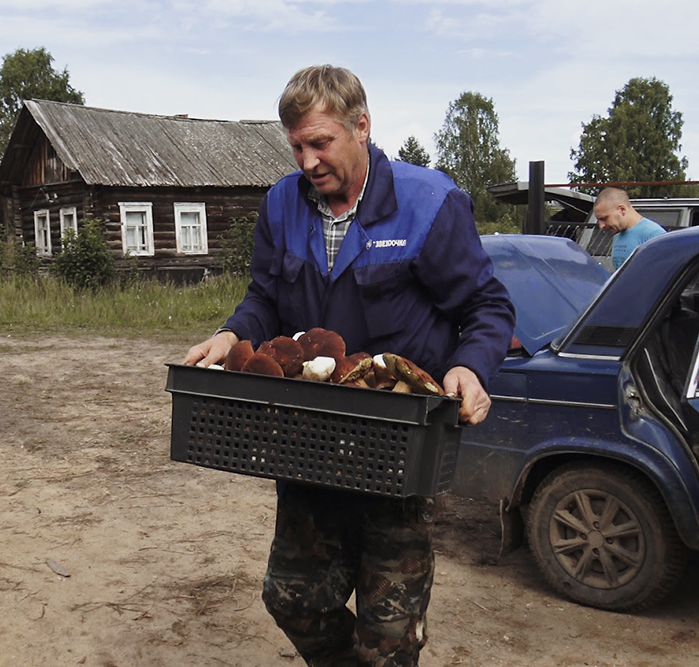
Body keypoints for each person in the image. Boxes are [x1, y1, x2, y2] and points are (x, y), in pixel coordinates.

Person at [184, 64, 515, 666]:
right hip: (307, 441)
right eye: (296, 147)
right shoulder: (282, 205)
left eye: (320, 143)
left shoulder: (429, 204)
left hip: (399, 450)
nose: (307, 162)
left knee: (388, 639)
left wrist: (472, 367)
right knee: (293, 599)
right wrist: (231, 334)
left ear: (361, 126)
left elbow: (486, 305)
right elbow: (264, 298)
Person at [594, 187, 666, 270]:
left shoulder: (654, 234)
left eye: (604, 218)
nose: (601, 226)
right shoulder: (617, 235)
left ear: (622, 210)